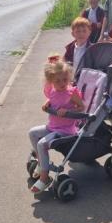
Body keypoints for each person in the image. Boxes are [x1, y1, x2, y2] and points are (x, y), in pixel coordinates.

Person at [28, 60, 84, 193]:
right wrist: (47, 103)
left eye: (65, 80)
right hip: (53, 126)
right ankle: (42, 163)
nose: (62, 83)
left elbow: (82, 108)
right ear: (51, 81)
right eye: (58, 81)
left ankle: (44, 177)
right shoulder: (52, 91)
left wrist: (68, 112)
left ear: (68, 78)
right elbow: (53, 99)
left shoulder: (72, 92)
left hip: (66, 130)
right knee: (32, 133)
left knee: (42, 144)